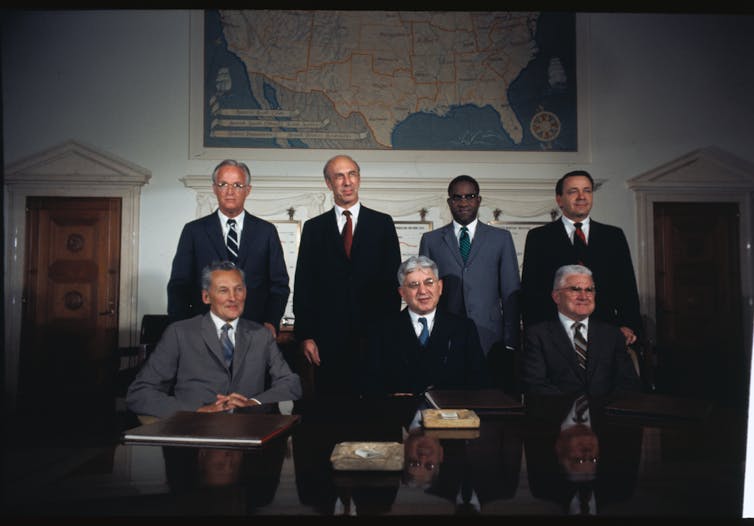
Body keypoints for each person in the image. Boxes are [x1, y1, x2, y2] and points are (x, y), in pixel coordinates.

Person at [127, 261, 301, 419]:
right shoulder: (179, 333)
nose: (233, 298)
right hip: (193, 432)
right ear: (206, 297)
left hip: (248, 431)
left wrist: (252, 403)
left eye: (238, 289)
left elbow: (290, 384)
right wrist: (195, 410)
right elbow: (139, 393)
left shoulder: (261, 334)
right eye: (223, 290)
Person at [293, 154, 401, 395]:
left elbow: (393, 285)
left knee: (374, 416)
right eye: (339, 176)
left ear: (359, 179)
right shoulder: (313, 229)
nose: (347, 182)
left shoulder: (382, 224)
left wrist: (389, 335)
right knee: (332, 416)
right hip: (328, 341)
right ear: (328, 183)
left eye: (352, 174)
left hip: (373, 339)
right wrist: (306, 336)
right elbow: (304, 286)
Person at [419, 175, 520, 391]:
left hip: (490, 335)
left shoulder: (500, 238)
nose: (463, 202)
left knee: (488, 397)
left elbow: (511, 289)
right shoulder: (431, 240)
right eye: (457, 197)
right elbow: (423, 292)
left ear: (479, 200)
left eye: (469, 196)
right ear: (449, 202)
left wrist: (511, 339)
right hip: (445, 334)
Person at [167, 159, 290, 336]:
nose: (230, 192)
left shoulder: (266, 232)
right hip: (203, 332)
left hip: (253, 331)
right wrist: (182, 329)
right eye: (223, 184)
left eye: (237, 185)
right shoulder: (194, 231)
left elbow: (279, 285)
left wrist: (271, 322)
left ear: (248, 190)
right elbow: (179, 286)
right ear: (214, 189)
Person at [521, 170, 642, 345]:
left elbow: (626, 286)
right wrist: (535, 333)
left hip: (605, 331)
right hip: (555, 335)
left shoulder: (613, 236)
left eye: (587, 190)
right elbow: (531, 291)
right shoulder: (539, 237)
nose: (581, 196)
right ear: (559, 199)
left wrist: (628, 325)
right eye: (573, 191)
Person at [366, 255, 489, 395]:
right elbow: (371, 383)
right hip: (401, 413)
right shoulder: (382, 330)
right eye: (414, 285)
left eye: (429, 282)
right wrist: (390, 398)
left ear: (440, 287)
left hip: (451, 413)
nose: (423, 291)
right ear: (402, 293)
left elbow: (480, 383)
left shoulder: (464, 328)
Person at [522, 265, 641, 398]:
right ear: (556, 296)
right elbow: (535, 385)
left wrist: (600, 410)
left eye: (589, 290)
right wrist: (576, 411)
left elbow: (628, 383)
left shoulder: (612, 335)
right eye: (575, 289)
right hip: (558, 414)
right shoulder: (537, 335)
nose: (584, 296)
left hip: (605, 414)